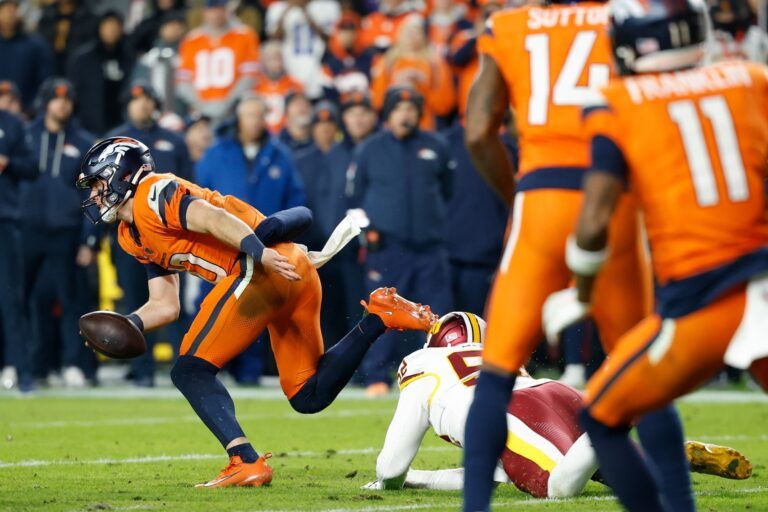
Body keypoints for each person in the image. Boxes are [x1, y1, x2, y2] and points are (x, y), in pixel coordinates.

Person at [76, 136, 437, 487]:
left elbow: (212, 217)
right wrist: (127, 324)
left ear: (124, 173)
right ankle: (378, 317)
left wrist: (259, 253)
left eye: (97, 183)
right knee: (307, 395)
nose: (94, 195)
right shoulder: (130, 234)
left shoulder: (152, 193)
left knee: (190, 369)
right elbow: (164, 304)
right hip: (293, 268)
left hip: (262, 266)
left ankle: (245, 461)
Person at [460, 1, 693, 510]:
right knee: (642, 370)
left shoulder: (510, 24)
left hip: (541, 197)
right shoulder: (626, 18)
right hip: (612, 196)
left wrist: (518, 193)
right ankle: (678, 503)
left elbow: (479, 130)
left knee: (496, 376)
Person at [541, 0, 768, 509]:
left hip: (703, 303)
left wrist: (581, 289)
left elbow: (595, 217)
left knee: (600, 415)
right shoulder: (750, 78)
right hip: (763, 279)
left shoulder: (617, 102)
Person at [365, 312, 753, 497]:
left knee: (556, 487)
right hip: (551, 393)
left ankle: (619, 403)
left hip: (506, 412)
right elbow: (495, 473)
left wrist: (393, 480)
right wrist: (421, 478)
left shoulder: (423, 365)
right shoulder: (495, 351)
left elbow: (391, 466)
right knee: (608, 470)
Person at [351, 86, 454, 396]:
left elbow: (447, 191)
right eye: (399, 108)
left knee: (437, 312)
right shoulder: (370, 149)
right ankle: (376, 377)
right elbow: (355, 198)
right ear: (389, 114)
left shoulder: (437, 146)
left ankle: (442, 374)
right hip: (387, 246)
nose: (406, 114)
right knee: (383, 311)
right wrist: (366, 231)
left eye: (411, 108)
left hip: (429, 246)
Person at [106, 80, 193, 386]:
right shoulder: (113, 141)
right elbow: (102, 194)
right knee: (136, 301)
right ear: (127, 104)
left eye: (147, 100)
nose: (142, 104)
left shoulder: (173, 141)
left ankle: (185, 367)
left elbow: (190, 189)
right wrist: (92, 238)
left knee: (173, 303)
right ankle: (142, 370)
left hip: (170, 237)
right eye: (136, 99)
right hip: (131, 236)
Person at [21, 77, 96, 388]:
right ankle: (26, 365)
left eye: (67, 99)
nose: (61, 103)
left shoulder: (83, 142)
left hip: (66, 231)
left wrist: (88, 239)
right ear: (45, 101)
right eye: (55, 98)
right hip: (25, 229)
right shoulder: (24, 137)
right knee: (23, 300)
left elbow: (94, 195)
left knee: (71, 301)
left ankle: (74, 364)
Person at [324, 92, 378, 333]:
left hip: (377, 244)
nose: (358, 119)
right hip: (340, 246)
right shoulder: (334, 153)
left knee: (377, 306)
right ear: (344, 118)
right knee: (344, 309)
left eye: (363, 113)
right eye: (352, 113)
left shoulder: (382, 148)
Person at [0, 80, 37, 391]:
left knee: (11, 298)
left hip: (4, 221)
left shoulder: (11, 124)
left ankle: (22, 371)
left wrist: (8, 162)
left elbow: (32, 166)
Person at [176, 0, 260, 125]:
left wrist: (228, 102)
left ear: (227, 10)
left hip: (235, 109)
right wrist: (201, 104)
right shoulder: (191, 40)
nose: (216, 14)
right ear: (204, 12)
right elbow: (183, 81)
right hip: (200, 110)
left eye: (220, 9)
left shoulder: (245, 35)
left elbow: (250, 76)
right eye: (212, 10)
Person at [370, 14, 455, 130]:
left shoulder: (435, 63)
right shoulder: (387, 62)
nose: (411, 36)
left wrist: (423, 86)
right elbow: (377, 101)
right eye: (407, 31)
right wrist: (396, 87)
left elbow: (445, 104)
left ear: (423, 36)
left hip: (426, 125)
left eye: (416, 32)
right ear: (399, 33)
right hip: (393, 128)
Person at [67, 10, 133, 135]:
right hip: (87, 127)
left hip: (120, 126)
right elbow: (73, 92)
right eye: (108, 26)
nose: (112, 30)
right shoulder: (83, 58)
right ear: (100, 28)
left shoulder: (128, 58)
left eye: (116, 26)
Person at [266, 0, 340, 99]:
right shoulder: (277, 8)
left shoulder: (328, 5)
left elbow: (331, 39)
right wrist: (288, 10)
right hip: (289, 68)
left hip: (319, 66)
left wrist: (305, 11)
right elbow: (273, 39)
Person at [0, 0, 54, 111]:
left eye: (15, 8)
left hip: (26, 113)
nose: (10, 13)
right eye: (5, 9)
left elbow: (46, 81)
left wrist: (32, 107)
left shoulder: (36, 45)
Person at [253, 40, 304, 134]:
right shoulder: (255, 87)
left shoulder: (295, 85)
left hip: (288, 135)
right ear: (263, 62)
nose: (275, 63)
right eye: (270, 59)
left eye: (277, 58)